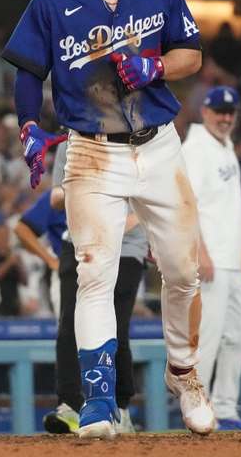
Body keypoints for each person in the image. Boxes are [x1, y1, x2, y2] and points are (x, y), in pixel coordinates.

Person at [1, 0, 214, 438]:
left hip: (158, 143)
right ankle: (96, 402)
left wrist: (156, 68)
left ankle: (184, 373)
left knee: (183, 271)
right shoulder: (52, 0)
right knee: (94, 272)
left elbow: (191, 54)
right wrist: (29, 125)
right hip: (91, 152)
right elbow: (28, 72)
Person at [40, 142, 146, 435]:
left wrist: (112, 227)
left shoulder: (137, 139)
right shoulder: (70, 140)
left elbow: (147, 198)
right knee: (69, 326)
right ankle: (71, 406)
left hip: (126, 248)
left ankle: (121, 408)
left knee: (116, 329)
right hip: (79, 244)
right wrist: (76, 189)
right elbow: (55, 197)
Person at [181, 86, 241, 430]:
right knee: (207, 340)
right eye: (219, 111)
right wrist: (199, 250)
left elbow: (227, 205)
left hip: (230, 258)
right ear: (205, 112)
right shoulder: (196, 148)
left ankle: (225, 407)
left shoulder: (224, 146)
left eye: (231, 112)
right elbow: (186, 203)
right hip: (209, 259)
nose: (226, 117)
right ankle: (198, 410)